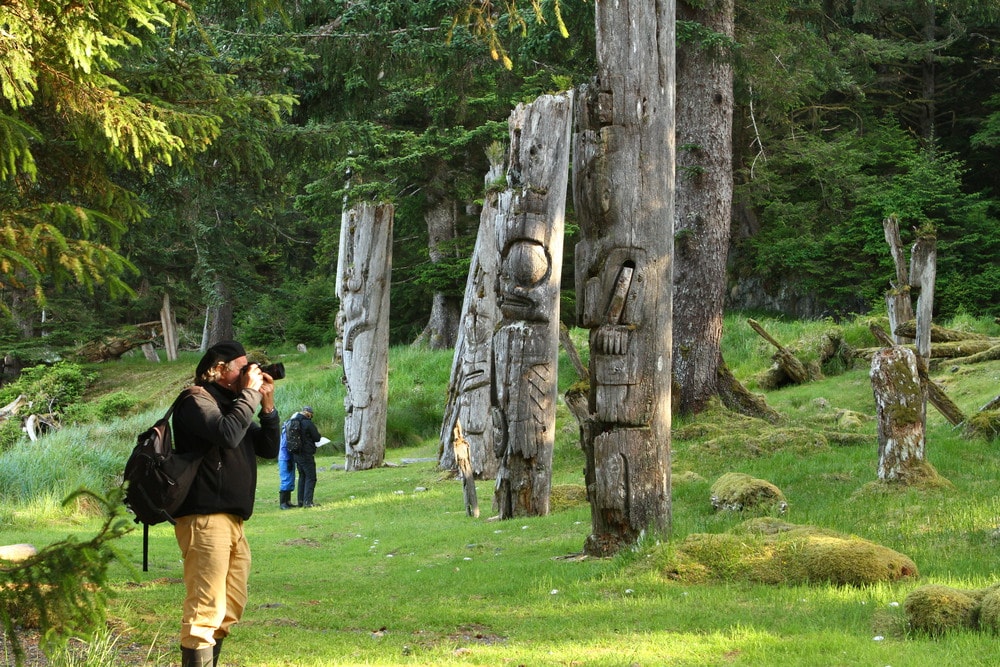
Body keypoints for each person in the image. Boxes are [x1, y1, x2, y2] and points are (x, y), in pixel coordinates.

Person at [171, 340, 280, 667]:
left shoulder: (236, 404)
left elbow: (269, 449)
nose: (249, 373)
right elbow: (228, 434)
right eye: (241, 367)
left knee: (230, 607)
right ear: (218, 370)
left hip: (233, 521)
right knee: (205, 609)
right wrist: (249, 394)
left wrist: (267, 405)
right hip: (204, 517)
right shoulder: (195, 399)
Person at [285, 406, 322, 508]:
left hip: (296, 454)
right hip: (306, 454)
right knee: (311, 477)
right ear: (309, 414)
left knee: (302, 476)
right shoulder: (307, 423)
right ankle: (308, 502)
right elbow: (317, 437)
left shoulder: (292, 421)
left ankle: (301, 501)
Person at [277, 418, 298, 510]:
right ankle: (283, 503)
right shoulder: (287, 432)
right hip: (285, 458)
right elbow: (285, 447)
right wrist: (288, 459)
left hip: (288, 457)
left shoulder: (287, 430)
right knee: (286, 480)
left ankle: (288, 501)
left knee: (290, 479)